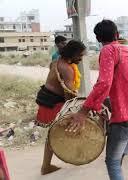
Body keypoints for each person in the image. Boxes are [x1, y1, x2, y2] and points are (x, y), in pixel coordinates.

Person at [67, 20, 128, 180]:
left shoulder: (108, 50)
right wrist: (99, 105)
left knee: (111, 161)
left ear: (98, 39)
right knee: (118, 156)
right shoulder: (127, 51)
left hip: (127, 115)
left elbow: (104, 83)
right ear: (117, 35)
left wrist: (83, 111)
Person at [35, 40, 86, 175]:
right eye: (80, 56)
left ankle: (47, 165)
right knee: (61, 132)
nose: (81, 59)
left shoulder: (56, 61)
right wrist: (77, 110)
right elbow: (69, 94)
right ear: (73, 54)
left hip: (46, 99)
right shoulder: (67, 69)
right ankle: (47, 166)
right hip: (53, 103)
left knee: (54, 134)